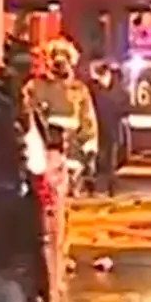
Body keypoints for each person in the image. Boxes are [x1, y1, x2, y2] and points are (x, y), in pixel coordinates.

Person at [23, 38, 98, 194]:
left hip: (72, 148)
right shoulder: (35, 86)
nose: (60, 63)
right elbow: (28, 116)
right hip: (45, 148)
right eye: (56, 57)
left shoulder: (79, 90)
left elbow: (87, 121)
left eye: (65, 58)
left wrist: (89, 149)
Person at [86, 61, 128, 197]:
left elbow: (124, 106)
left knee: (110, 160)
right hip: (96, 128)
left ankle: (110, 188)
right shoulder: (93, 88)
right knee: (98, 159)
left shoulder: (117, 89)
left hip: (112, 129)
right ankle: (98, 187)